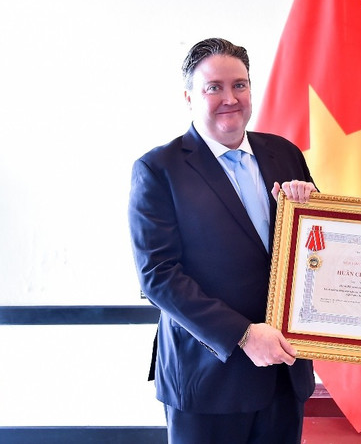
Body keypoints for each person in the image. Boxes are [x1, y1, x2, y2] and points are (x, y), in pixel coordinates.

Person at [128, 38, 317, 443]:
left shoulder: (284, 153)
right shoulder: (159, 169)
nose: (230, 98)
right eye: (214, 87)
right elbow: (158, 275)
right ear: (189, 97)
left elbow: (316, 252)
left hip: (284, 374)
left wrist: (316, 214)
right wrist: (243, 335)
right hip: (208, 378)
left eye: (240, 85)